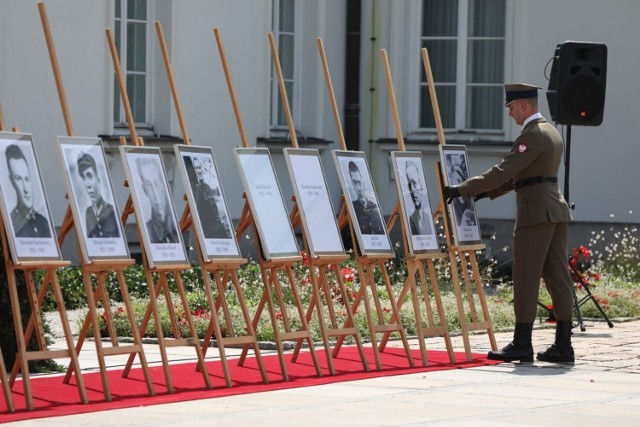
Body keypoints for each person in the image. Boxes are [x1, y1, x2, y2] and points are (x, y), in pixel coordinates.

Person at [442, 83, 575, 364]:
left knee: (526, 277)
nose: (511, 114)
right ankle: (563, 345)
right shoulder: (551, 132)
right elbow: (522, 177)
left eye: (512, 108)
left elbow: (504, 170)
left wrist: (461, 188)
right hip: (555, 210)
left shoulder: (532, 136)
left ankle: (521, 344)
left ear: (524, 105)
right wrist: (483, 193)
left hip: (535, 213)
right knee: (557, 277)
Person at [5, 144, 51, 238]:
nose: (26, 189)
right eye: (18, 179)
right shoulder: (11, 223)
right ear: (11, 181)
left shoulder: (43, 222)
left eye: (27, 179)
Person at [136, 157, 179, 244]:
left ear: (163, 185)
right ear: (145, 190)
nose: (155, 195)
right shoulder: (148, 232)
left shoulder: (176, 229)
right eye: (149, 186)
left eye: (156, 184)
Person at [76, 152, 120, 238]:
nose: (88, 185)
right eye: (83, 178)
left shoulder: (110, 210)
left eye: (89, 176)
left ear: (98, 180)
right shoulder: (88, 212)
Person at [190, 156, 231, 239]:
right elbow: (200, 213)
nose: (199, 170)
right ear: (195, 171)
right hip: (210, 233)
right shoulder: (197, 189)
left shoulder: (207, 186)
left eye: (200, 167)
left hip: (219, 228)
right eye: (196, 168)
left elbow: (214, 207)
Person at [348, 160, 385, 235]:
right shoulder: (352, 208)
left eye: (359, 182)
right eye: (355, 183)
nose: (358, 188)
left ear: (363, 182)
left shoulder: (375, 207)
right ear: (352, 184)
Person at [446, 154, 476, 227]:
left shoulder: (469, 207)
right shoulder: (454, 208)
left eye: (463, 181)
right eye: (459, 182)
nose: (462, 186)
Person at [405, 160, 433, 236]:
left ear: (421, 185)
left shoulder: (428, 218)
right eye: (409, 185)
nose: (412, 190)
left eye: (414, 183)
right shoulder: (410, 220)